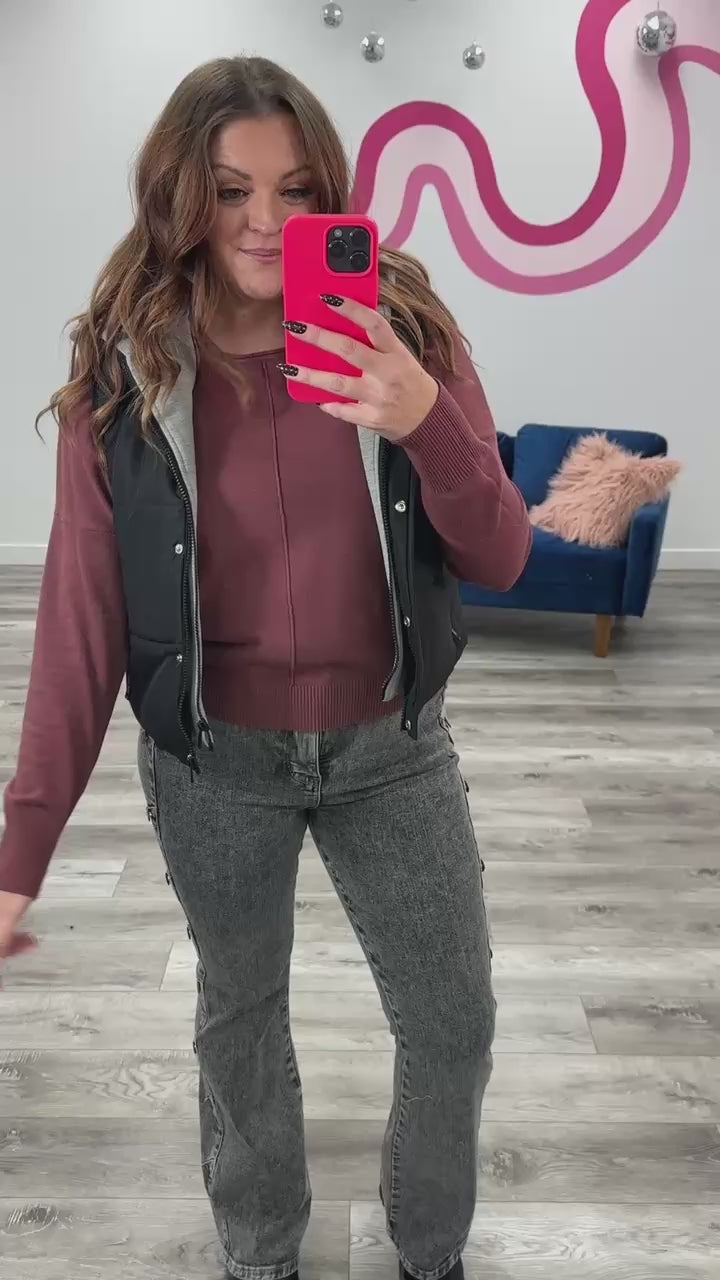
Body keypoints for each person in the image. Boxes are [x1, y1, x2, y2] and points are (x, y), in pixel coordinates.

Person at [0, 56, 530, 1280]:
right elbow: (80, 623)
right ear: (180, 195)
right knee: (239, 1026)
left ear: (330, 195)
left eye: (295, 191)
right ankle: (258, 1255)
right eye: (231, 190)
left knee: (454, 1019)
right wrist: (20, 852)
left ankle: (430, 1251)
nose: (261, 222)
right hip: (215, 761)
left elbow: (500, 552)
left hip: (392, 746)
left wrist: (425, 417)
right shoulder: (128, 369)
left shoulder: (406, 333)